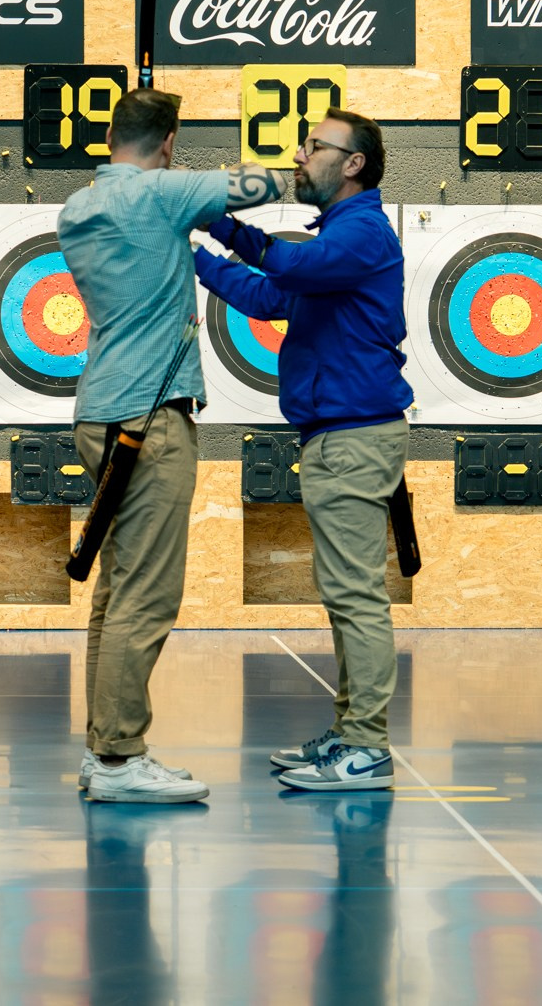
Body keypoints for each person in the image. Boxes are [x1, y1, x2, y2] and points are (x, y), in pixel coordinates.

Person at [59, 88, 287, 804]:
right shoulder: (162, 193)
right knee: (149, 592)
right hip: (150, 418)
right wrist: (314, 164)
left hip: (100, 410)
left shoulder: (80, 206)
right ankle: (122, 758)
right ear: (168, 142)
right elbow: (271, 183)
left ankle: (104, 750)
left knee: (119, 587)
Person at [193, 108, 411, 792]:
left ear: (353, 163)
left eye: (314, 144)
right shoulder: (340, 237)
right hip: (334, 436)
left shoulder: (363, 233)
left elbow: (283, 261)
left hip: (353, 436)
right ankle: (350, 732)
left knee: (356, 598)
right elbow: (266, 293)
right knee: (346, 594)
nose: (298, 153)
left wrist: (218, 221)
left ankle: (368, 747)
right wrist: (195, 258)